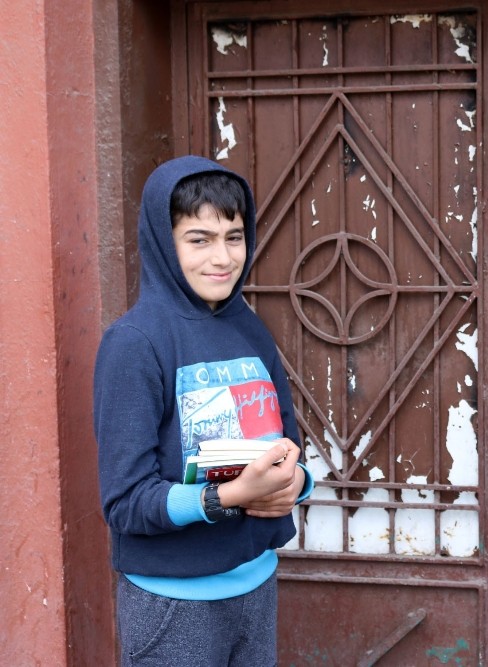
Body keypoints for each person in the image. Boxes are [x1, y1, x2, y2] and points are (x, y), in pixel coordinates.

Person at [94, 155, 313, 666]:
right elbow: (125, 501)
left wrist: (295, 485)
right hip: (173, 603)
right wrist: (233, 496)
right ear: (163, 242)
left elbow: (287, 447)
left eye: (233, 236)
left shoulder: (249, 328)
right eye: (199, 239)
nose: (223, 257)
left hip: (256, 583)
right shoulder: (134, 343)